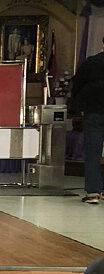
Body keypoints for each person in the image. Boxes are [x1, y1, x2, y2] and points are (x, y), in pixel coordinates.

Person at [71, 37, 104, 204]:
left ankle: (93, 192)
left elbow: (77, 84)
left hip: (94, 113)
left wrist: (77, 103)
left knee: (93, 152)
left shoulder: (92, 63)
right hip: (94, 112)